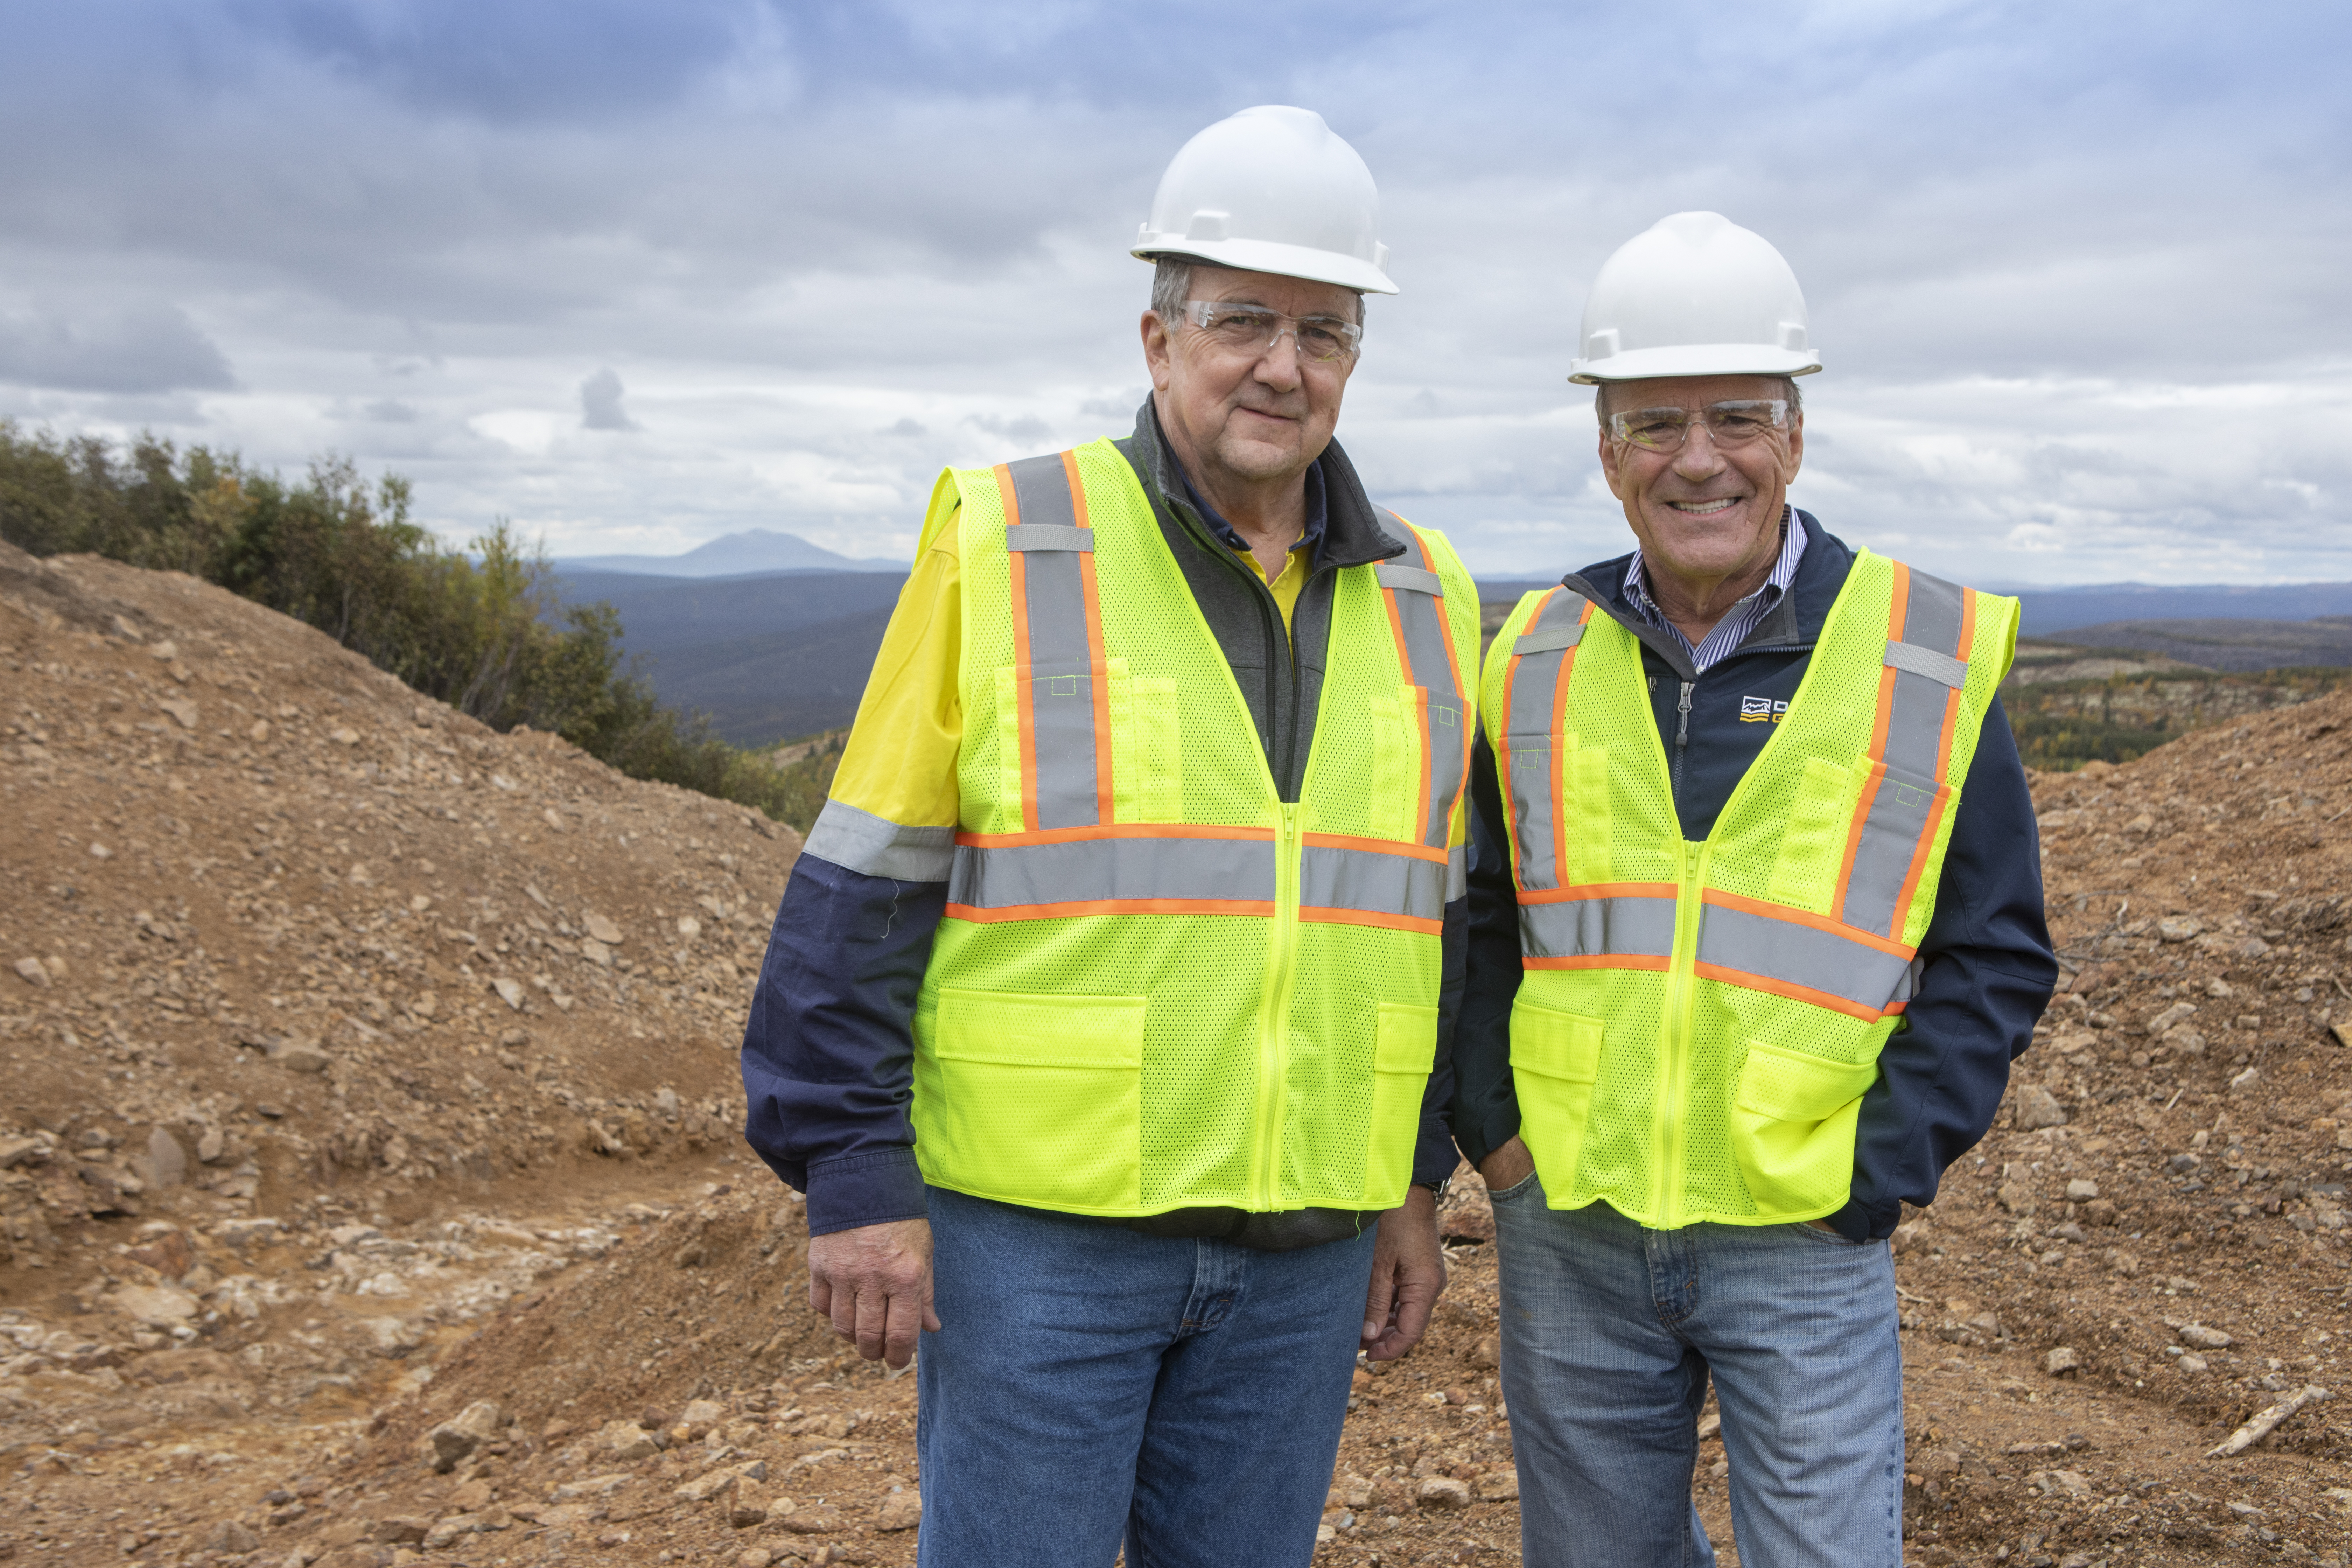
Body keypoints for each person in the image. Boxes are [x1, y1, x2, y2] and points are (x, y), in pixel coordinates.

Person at [740, 106, 1481, 1568]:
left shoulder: (1428, 591)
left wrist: (1413, 1174)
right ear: (1158, 341)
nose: (1283, 364)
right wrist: (854, 1174)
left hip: (1309, 1251)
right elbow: (863, 879)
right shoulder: (1012, 536)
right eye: (1243, 322)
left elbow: (1427, 921)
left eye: (1323, 330)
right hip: (1041, 1244)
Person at [1455, 211, 2057, 1567]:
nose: (1699, 458)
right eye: (1655, 423)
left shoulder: (1923, 650)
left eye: (1736, 415)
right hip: (1576, 1230)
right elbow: (1480, 921)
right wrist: (1498, 1139)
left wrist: (1878, 1169)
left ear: (1794, 431)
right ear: (1606, 451)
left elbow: (1996, 953)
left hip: (1804, 1231)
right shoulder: (1533, 651)